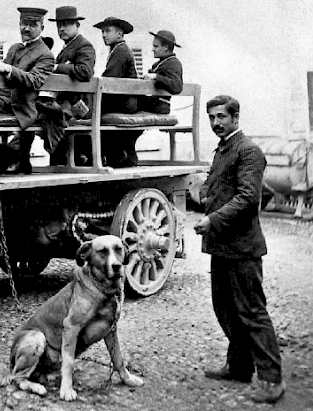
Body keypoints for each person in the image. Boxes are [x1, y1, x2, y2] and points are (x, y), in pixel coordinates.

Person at [194, 95, 285, 404]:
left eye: (221, 116)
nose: (216, 122)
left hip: (243, 249)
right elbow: (225, 190)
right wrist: (205, 193)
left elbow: (249, 199)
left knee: (252, 312)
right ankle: (240, 366)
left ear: (235, 118)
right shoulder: (223, 150)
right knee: (226, 309)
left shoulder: (248, 151)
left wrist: (213, 219)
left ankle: (272, 380)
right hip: (222, 246)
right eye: (212, 117)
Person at [0, 7, 55, 175]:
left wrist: (8, 68)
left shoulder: (45, 54)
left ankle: (3, 157)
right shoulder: (14, 48)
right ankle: (6, 155)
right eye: (24, 24)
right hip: (3, 100)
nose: (26, 28)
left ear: (42, 28)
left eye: (32, 25)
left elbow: (34, 80)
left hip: (22, 104)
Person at [46, 5, 96, 165]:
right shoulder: (66, 48)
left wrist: (56, 67)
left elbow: (85, 71)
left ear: (77, 25)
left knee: (52, 116)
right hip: (65, 103)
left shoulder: (84, 46)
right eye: (59, 25)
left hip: (78, 106)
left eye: (66, 24)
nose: (62, 28)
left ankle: (61, 161)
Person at [93, 16, 139, 167]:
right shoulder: (118, 50)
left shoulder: (120, 51)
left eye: (107, 31)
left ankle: (96, 156)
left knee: (88, 112)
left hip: (123, 102)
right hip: (123, 100)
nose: (104, 35)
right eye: (102, 32)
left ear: (119, 34)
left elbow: (109, 80)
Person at [140, 30, 183, 114]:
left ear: (166, 47)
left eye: (156, 46)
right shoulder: (158, 64)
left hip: (160, 106)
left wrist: (156, 77)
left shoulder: (173, 63)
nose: (152, 49)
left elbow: (177, 86)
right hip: (150, 104)